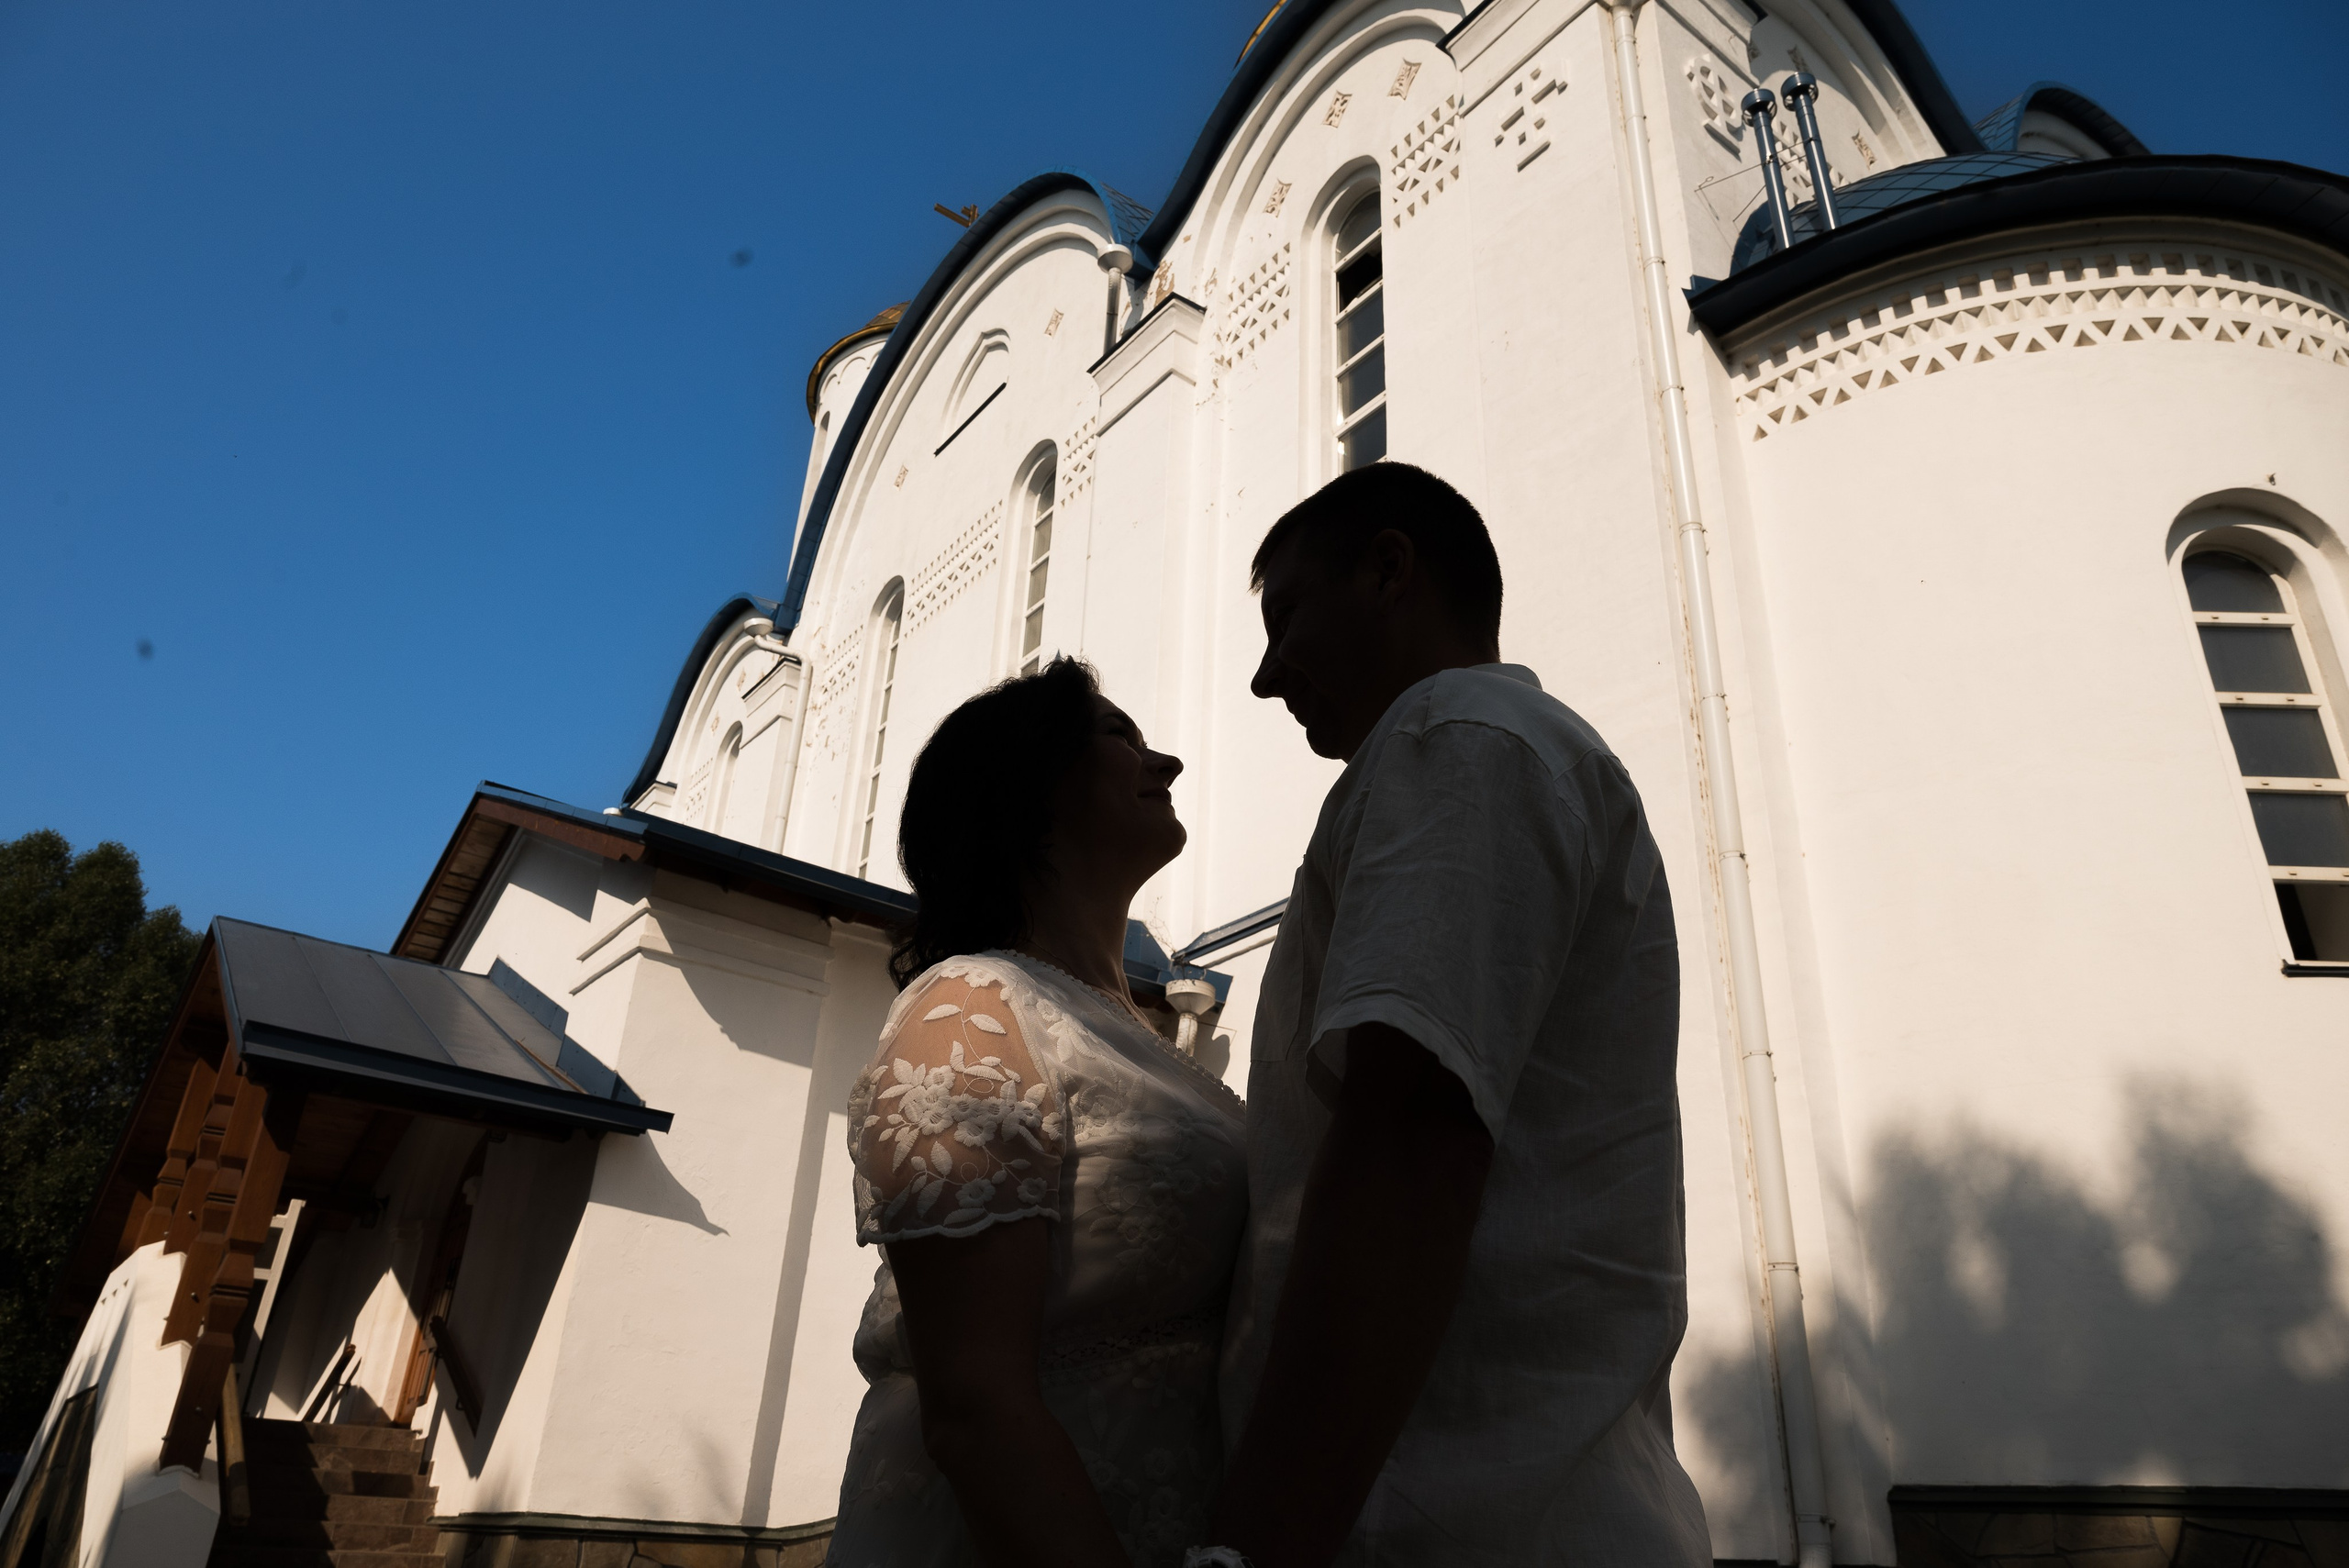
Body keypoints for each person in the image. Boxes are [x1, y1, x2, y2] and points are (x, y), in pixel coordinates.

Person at [1195, 463, 1711, 1567]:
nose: (1262, 675)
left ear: (1388, 568)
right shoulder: (1478, 749)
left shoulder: (1457, 737)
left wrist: (1254, 1545)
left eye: (1284, 618)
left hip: (1446, 1514)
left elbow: (1407, 1137)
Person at [826, 657, 1248, 1568]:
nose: (1164, 761)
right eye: (1118, 735)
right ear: (1027, 787)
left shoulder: (1120, 1030)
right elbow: (974, 1401)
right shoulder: (973, 1009)